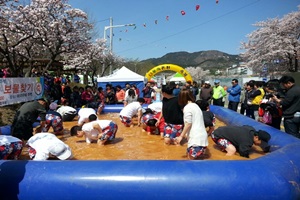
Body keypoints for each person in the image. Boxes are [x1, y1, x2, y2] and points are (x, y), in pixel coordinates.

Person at [176, 90, 208, 160]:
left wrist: (181, 136)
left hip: (196, 139)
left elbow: (188, 123)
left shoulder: (187, 108)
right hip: (201, 137)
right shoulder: (196, 105)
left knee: (192, 161)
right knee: (193, 160)